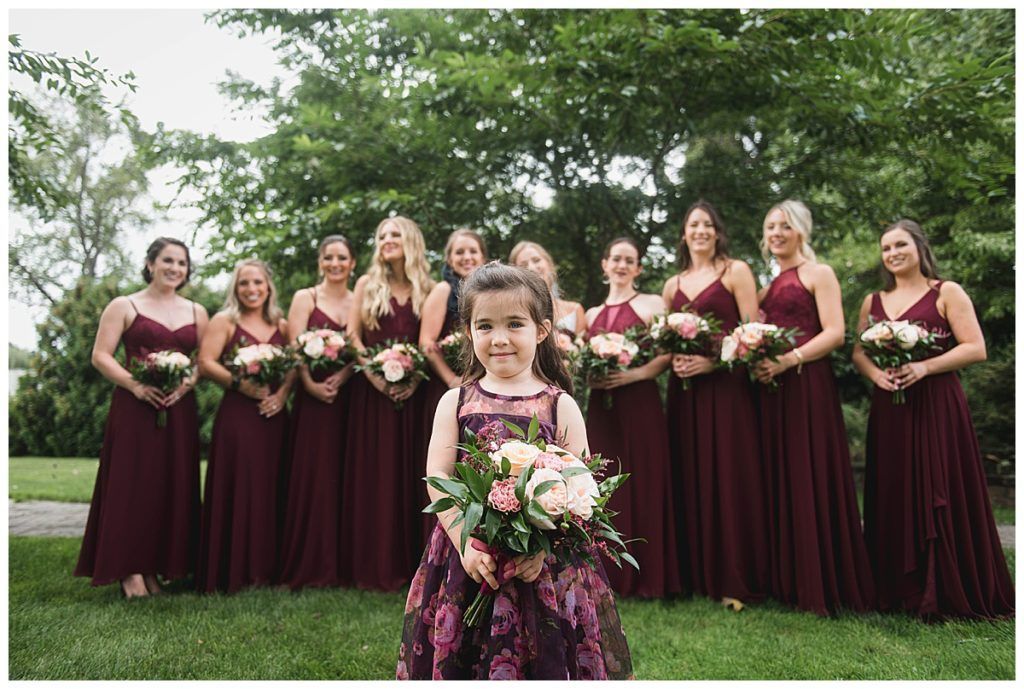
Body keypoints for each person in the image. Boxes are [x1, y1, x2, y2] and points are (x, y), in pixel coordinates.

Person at [397, 262, 632, 680]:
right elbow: (439, 481)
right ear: (468, 330)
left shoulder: (560, 406)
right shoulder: (455, 402)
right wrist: (467, 543)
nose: (500, 338)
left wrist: (543, 548)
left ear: (541, 330)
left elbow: (582, 490)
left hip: (545, 565)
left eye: (515, 324)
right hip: (467, 556)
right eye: (485, 325)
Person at [852, 219, 1014, 620]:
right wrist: (878, 376)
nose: (893, 254)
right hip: (890, 406)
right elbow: (859, 353)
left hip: (937, 404)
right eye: (886, 248)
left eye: (900, 245)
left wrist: (925, 368)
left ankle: (942, 587)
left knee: (936, 485)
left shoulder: (947, 292)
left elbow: (975, 348)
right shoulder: (872, 301)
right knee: (892, 487)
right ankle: (893, 587)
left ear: (919, 246)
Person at [754, 200, 875, 616]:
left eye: (785, 226)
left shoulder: (818, 273)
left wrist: (789, 360)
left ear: (802, 229)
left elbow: (837, 332)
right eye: (770, 227)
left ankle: (823, 581)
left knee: (810, 471)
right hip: (773, 391)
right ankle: (787, 579)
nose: (776, 233)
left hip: (808, 385)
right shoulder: (766, 288)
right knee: (782, 474)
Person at [75, 237, 207, 598]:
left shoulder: (197, 311)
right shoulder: (125, 305)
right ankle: (129, 570)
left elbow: (203, 362)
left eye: (181, 263)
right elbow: (101, 355)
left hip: (178, 409)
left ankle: (155, 568)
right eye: (167, 260)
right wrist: (135, 385)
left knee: (170, 485)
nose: (174, 268)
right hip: (135, 406)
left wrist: (186, 385)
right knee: (133, 486)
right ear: (150, 264)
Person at [661, 201, 770, 610]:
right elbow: (665, 343)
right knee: (690, 473)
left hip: (727, 388)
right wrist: (676, 360)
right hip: (685, 391)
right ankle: (694, 575)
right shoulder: (672, 284)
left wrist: (712, 362)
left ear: (718, 231)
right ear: (685, 234)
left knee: (730, 475)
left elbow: (752, 334)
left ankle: (735, 577)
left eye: (708, 224)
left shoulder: (736, 271)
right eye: (694, 225)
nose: (701, 230)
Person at [339, 216, 435, 591]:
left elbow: (428, 340)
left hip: (415, 393)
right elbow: (353, 337)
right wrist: (376, 374)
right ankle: (372, 564)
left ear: (411, 241)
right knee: (376, 474)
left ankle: (415, 564)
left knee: (413, 472)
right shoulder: (366, 284)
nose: (387, 240)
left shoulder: (427, 288)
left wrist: (411, 378)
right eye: (381, 235)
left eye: (395, 234)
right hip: (372, 394)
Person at [584, 237, 682, 598]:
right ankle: (606, 572)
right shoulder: (591, 315)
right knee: (602, 482)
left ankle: (648, 574)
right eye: (616, 259)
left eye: (630, 261)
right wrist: (591, 375)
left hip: (639, 401)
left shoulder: (652, 304)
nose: (622, 265)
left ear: (638, 268)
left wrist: (634, 374)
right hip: (601, 406)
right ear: (604, 265)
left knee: (644, 478)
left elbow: (666, 355)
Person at [196, 258, 294, 593]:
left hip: (275, 417)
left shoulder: (281, 323)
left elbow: (294, 363)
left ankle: (268, 570)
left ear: (269, 287)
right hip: (238, 416)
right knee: (240, 487)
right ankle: (232, 570)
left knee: (272, 487)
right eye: (244, 284)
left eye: (258, 283)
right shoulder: (224, 320)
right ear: (235, 289)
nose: (252, 290)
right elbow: (206, 362)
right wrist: (241, 385)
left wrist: (282, 394)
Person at [278, 236, 358, 589]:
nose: (335, 263)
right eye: (329, 257)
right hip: (312, 398)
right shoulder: (305, 298)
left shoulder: (360, 300)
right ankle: (307, 562)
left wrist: (342, 376)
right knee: (313, 475)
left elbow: (359, 349)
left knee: (346, 474)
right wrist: (309, 383)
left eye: (342, 257)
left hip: (349, 396)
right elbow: (295, 347)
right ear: (320, 262)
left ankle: (342, 563)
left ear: (353, 263)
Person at [509, 241, 586, 337]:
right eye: (523, 265)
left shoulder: (575, 309)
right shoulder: (512, 314)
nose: (531, 268)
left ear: (549, 263)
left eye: (536, 260)